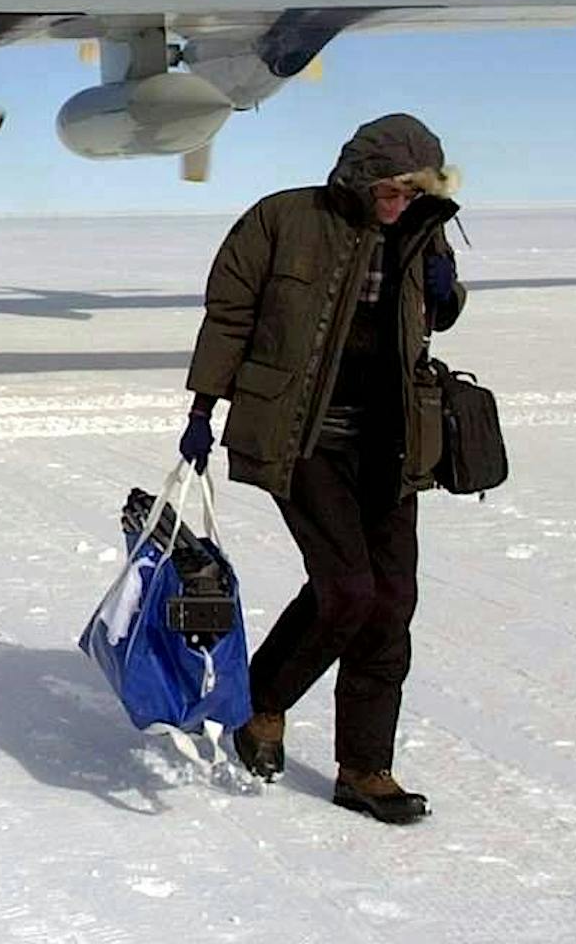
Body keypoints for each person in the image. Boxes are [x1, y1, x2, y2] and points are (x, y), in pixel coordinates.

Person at [178, 113, 464, 824]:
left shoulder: (421, 230)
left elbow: (446, 315)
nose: (399, 205)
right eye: (391, 192)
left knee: (391, 602)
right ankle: (263, 703)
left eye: (413, 193)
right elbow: (230, 316)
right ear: (361, 180)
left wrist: (438, 276)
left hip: (392, 443)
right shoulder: (282, 219)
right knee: (346, 591)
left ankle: (366, 768)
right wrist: (202, 409)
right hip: (301, 436)